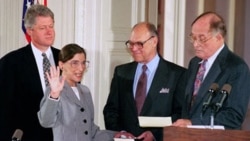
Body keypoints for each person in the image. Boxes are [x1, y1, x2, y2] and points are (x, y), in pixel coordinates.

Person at [103, 22, 186, 141]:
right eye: (131, 44)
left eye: (139, 44)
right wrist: (121, 133)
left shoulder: (177, 74)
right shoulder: (121, 72)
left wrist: (155, 134)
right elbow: (111, 110)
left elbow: (180, 115)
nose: (134, 48)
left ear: (154, 41)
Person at [172, 12, 250, 129]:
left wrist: (194, 124)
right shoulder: (194, 63)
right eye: (193, 38)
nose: (196, 44)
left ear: (218, 37)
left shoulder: (236, 68)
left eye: (202, 38)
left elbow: (234, 116)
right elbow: (188, 107)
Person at [0, 4, 59, 141]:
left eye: (51, 26)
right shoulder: (10, 63)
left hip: (60, 135)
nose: (49, 32)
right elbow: (4, 108)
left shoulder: (64, 59)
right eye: (43, 28)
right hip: (27, 135)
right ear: (29, 31)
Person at [38, 43, 116, 141]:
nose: (81, 68)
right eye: (75, 63)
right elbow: (46, 122)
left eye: (83, 63)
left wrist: (116, 135)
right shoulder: (54, 90)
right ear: (61, 65)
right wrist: (54, 95)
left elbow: (91, 131)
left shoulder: (85, 91)